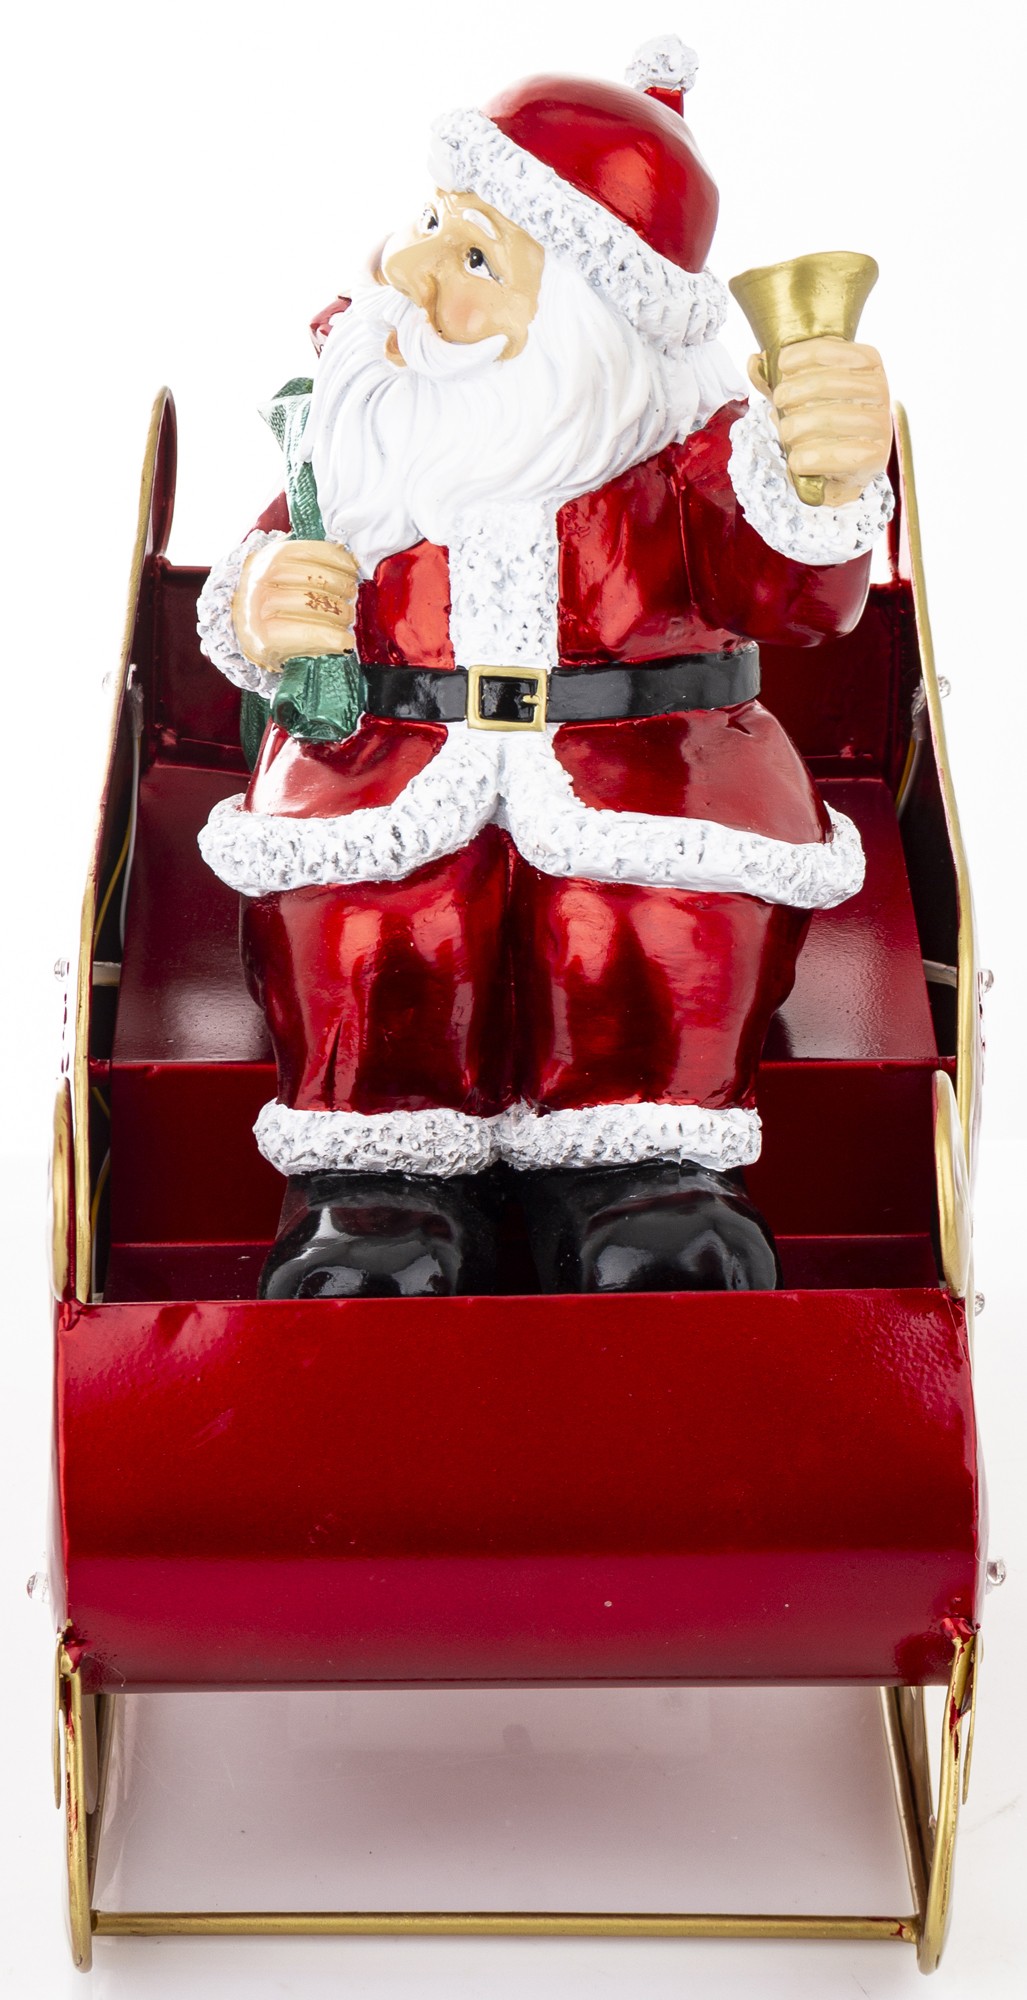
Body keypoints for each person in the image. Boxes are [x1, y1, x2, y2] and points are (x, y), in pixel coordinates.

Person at [197, 38, 893, 1299]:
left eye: (474, 260)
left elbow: (795, 598)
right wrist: (264, 602)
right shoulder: (363, 446)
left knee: (642, 943)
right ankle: (378, 1182)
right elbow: (269, 563)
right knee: (376, 944)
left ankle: (645, 1174)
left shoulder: (681, 463)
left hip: (647, 780)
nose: (408, 273)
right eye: (428, 225)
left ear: (588, 326)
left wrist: (823, 478)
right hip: (383, 769)